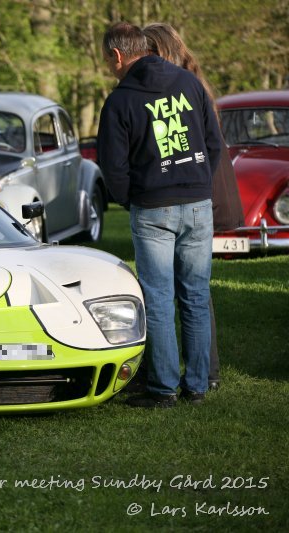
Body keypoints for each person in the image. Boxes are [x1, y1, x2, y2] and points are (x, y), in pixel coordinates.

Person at [97, 22, 224, 408]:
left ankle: (164, 388)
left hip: (153, 207)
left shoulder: (120, 102)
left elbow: (113, 168)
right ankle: (198, 385)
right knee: (196, 295)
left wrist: (129, 200)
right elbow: (214, 143)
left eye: (108, 61)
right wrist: (199, 182)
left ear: (118, 56)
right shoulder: (189, 83)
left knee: (159, 297)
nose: (109, 68)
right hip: (199, 204)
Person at [141, 22, 245, 391]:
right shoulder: (193, 83)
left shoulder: (176, 89)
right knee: (194, 291)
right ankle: (203, 375)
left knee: (178, 290)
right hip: (199, 194)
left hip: (189, 195)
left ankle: (177, 374)